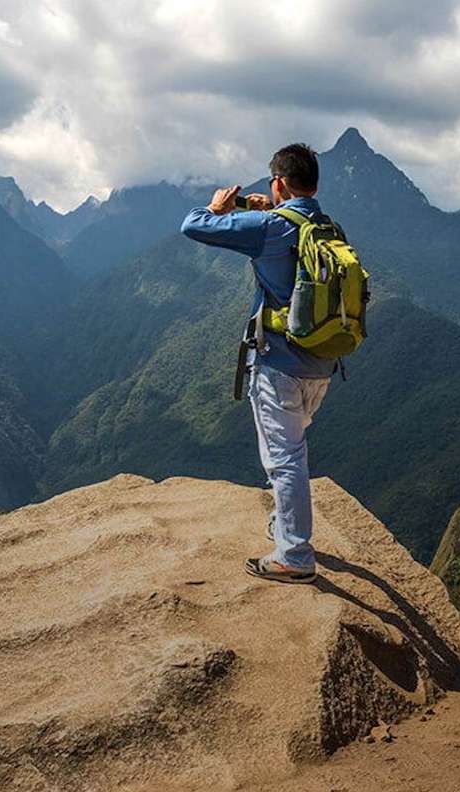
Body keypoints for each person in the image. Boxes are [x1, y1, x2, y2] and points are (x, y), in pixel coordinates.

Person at [181, 143, 335, 585]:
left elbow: (195, 225)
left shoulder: (270, 227)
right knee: (293, 452)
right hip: (321, 365)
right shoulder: (324, 226)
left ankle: (295, 557)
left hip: (279, 364)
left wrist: (217, 206)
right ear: (314, 184)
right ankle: (287, 529)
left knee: (285, 461)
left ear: (279, 183)